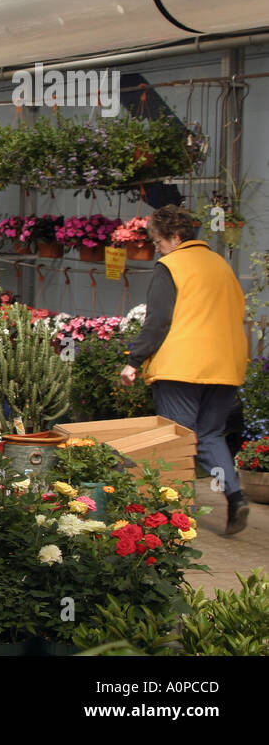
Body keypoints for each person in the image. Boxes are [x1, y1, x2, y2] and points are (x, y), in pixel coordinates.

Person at [119, 205, 250, 535]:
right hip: (226, 366)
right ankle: (235, 497)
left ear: (176, 238)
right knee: (209, 434)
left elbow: (159, 320)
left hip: (182, 367)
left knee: (176, 440)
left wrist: (134, 360)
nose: (156, 249)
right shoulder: (222, 265)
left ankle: (179, 515)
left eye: (159, 242)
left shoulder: (171, 266)